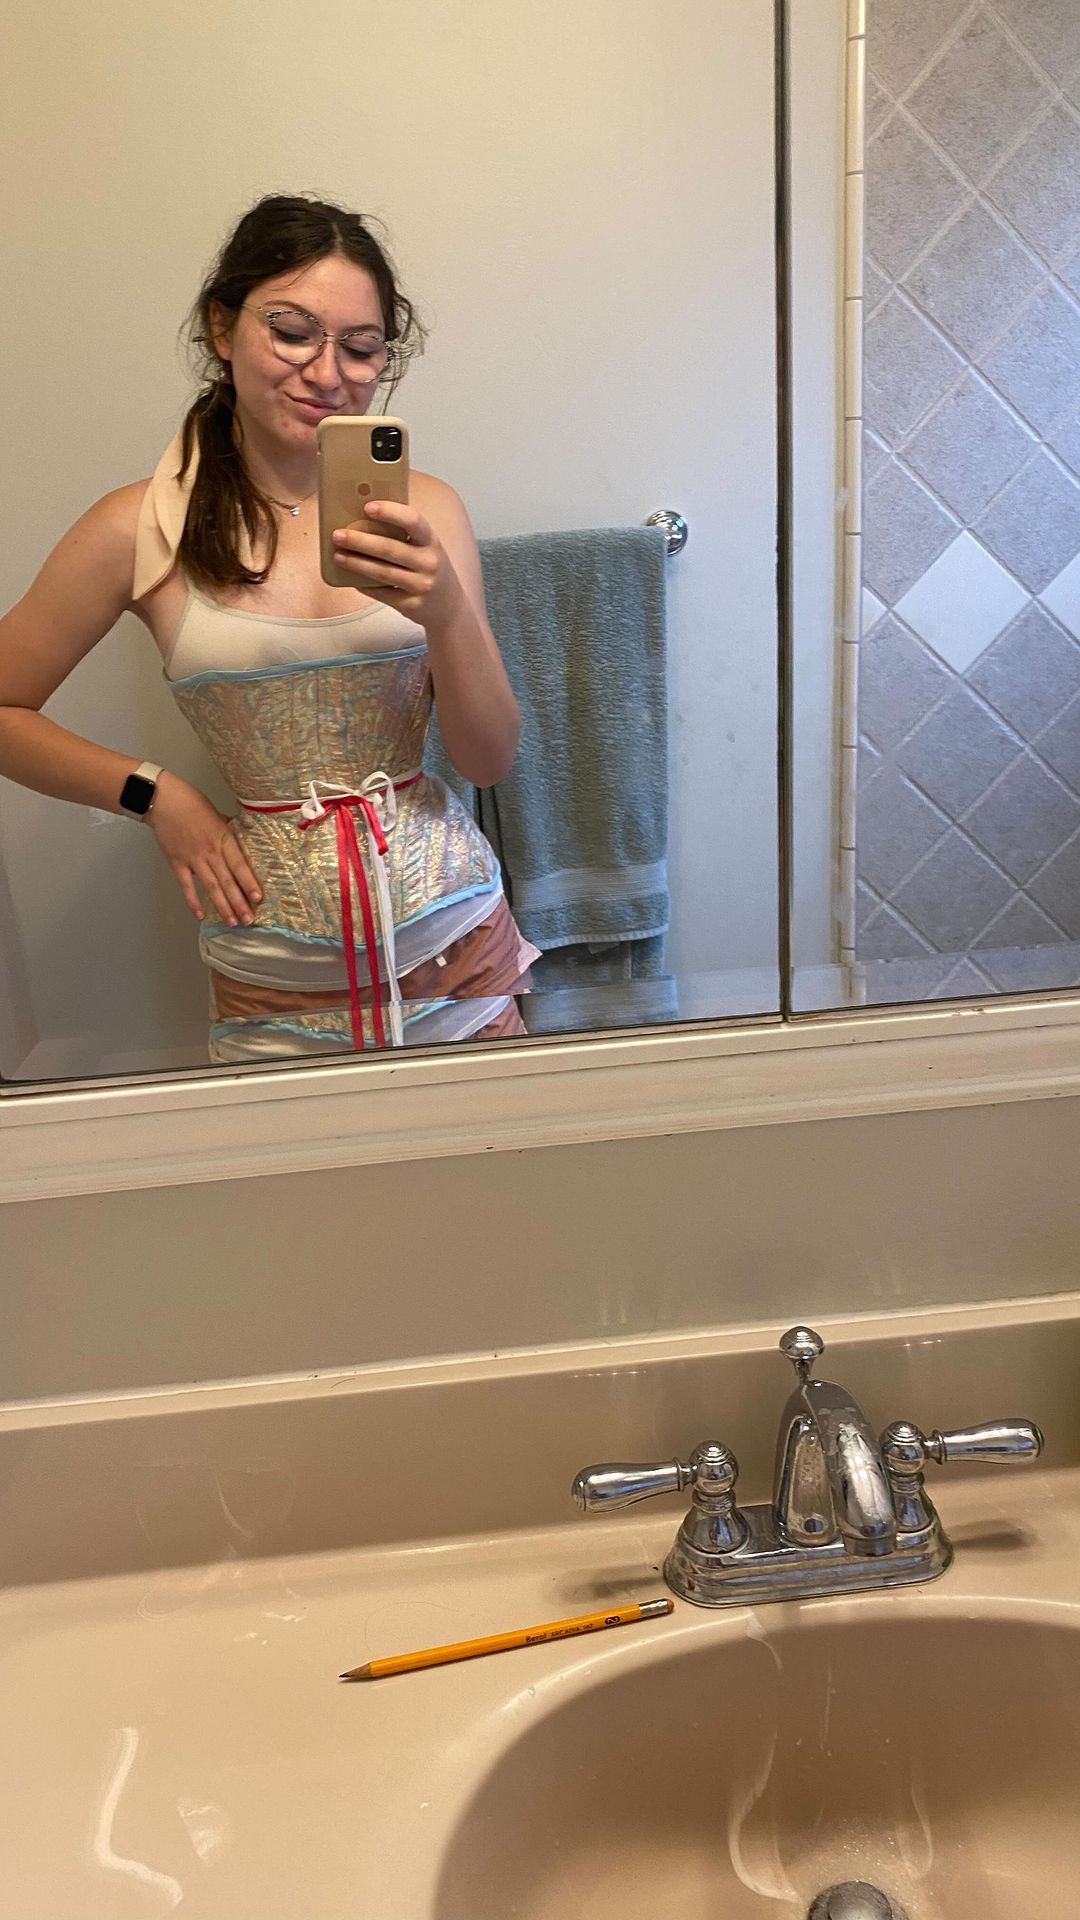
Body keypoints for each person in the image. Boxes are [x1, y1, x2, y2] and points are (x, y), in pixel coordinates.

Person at [0, 194, 538, 1060]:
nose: (327, 373)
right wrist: (156, 795)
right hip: (272, 977)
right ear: (222, 327)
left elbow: (487, 761)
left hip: (459, 946)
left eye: (360, 348)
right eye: (292, 332)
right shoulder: (140, 528)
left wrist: (445, 613)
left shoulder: (429, 510)